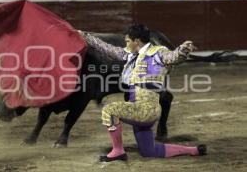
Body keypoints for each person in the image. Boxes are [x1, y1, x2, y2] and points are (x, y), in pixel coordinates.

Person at [79, 24, 207, 162]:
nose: (126, 44)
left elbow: (174, 57)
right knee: (149, 151)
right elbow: (108, 49)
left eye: (128, 41)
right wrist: (86, 36)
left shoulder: (158, 52)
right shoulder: (130, 55)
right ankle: (194, 150)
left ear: (137, 41)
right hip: (139, 108)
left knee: (110, 110)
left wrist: (183, 50)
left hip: (146, 110)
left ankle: (118, 151)